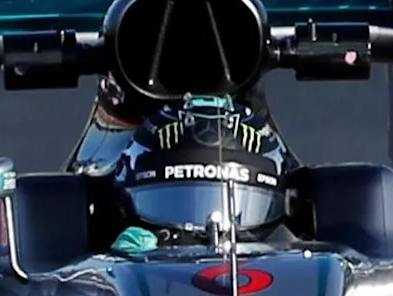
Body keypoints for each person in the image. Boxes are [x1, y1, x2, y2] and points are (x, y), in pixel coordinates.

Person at [76, 87, 293, 252]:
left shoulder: (299, 260)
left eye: (239, 200)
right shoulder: (131, 254)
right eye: (178, 201)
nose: (210, 234)